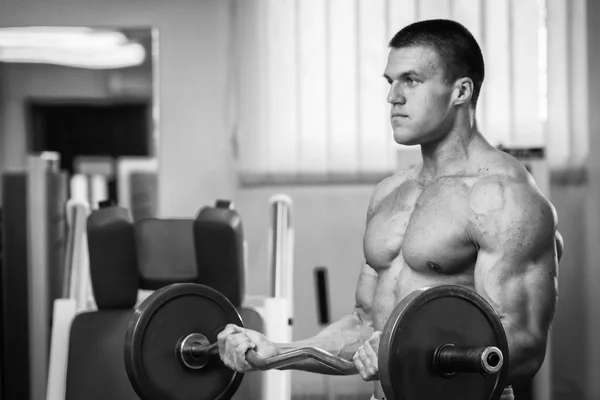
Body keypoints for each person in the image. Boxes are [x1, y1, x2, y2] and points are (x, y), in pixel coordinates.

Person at [217, 19, 563, 400]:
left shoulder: (503, 197)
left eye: (411, 80)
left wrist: (408, 356)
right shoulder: (390, 193)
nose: (393, 97)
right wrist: (279, 352)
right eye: (390, 81)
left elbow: (524, 346)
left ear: (460, 91)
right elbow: (367, 326)